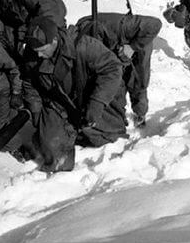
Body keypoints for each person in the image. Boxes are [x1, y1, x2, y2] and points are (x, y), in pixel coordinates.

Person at [21, 17, 127, 173]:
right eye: (36, 51)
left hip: (90, 97)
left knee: (110, 138)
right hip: (59, 103)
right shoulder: (32, 54)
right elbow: (29, 83)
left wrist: (97, 102)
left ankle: (83, 131)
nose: (39, 56)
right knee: (51, 147)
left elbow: (113, 68)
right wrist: (36, 112)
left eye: (43, 50)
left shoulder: (83, 45)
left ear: (55, 41)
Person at [75, 11, 162, 127]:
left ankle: (140, 114)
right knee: (115, 82)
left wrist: (132, 47)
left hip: (139, 48)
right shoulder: (81, 35)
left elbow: (155, 24)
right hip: (114, 52)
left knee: (138, 83)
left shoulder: (123, 25)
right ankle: (119, 116)